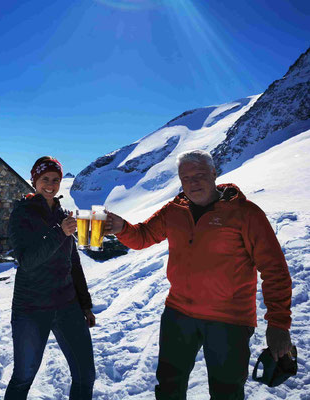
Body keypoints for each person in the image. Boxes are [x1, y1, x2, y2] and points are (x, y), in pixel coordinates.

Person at [104, 150, 292, 400]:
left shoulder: (246, 213)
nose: (193, 183)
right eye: (186, 177)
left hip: (230, 320)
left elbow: (274, 269)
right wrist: (122, 228)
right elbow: (143, 237)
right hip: (178, 314)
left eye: (200, 175)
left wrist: (278, 324)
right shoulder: (174, 210)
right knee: (169, 386)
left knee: (226, 391)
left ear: (214, 174)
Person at [4, 156, 96, 400]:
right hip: (31, 307)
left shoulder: (63, 214)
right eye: (45, 179)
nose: (50, 184)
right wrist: (59, 232)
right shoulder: (21, 214)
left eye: (56, 179)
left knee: (85, 375)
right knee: (23, 376)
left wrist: (85, 305)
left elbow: (73, 264)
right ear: (34, 180)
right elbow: (27, 261)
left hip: (67, 305)